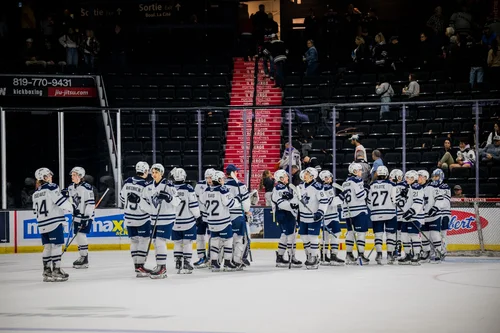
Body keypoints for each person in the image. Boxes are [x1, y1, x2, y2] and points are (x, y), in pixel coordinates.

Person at [140, 163, 180, 279]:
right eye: (152, 172)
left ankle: (162, 267)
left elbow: (177, 201)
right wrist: (151, 210)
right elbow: (143, 203)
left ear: (162, 173)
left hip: (167, 218)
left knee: (160, 242)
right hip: (154, 219)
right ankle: (159, 266)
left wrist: (169, 197)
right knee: (156, 243)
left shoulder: (169, 186)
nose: (154, 174)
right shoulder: (148, 187)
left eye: (156, 172)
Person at [33, 168, 73, 282]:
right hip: (54, 222)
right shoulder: (52, 187)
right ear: (44, 177)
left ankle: (46, 271)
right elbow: (60, 202)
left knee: (47, 247)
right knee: (57, 246)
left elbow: (35, 211)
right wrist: (71, 207)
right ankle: (56, 270)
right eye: (49, 175)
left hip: (42, 223)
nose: (51, 177)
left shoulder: (35, 193)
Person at [200, 170, 238, 272]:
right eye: (222, 179)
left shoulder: (207, 190)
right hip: (223, 221)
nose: (223, 180)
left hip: (211, 222)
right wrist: (237, 200)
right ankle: (227, 263)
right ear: (219, 179)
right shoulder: (223, 190)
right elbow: (230, 204)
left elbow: (202, 201)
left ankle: (214, 263)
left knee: (214, 241)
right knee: (228, 241)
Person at [119, 161, 152, 277]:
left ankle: (136, 265)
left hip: (128, 216)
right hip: (142, 217)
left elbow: (122, 198)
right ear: (146, 171)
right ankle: (140, 266)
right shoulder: (146, 184)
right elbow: (149, 203)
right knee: (144, 240)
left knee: (134, 241)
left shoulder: (127, 181)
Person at [170, 168, 200, 274]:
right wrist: (198, 216)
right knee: (187, 243)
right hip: (188, 222)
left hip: (174, 222)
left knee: (177, 243)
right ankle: (187, 263)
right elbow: (193, 205)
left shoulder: (170, 188)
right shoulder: (189, 188)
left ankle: (178, 262)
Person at [297, 167, 328, 269]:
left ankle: (314, 257)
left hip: (314, 217)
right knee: (304, 237)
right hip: (303, 217)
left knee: (312, 237)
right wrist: (293, 203)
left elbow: (324, 201)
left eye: (307, 173)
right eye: (305, 173)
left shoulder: (318, 187)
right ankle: (309, 255)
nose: (304, 174)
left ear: (312, 176)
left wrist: (320, 212)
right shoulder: (300, 187)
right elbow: (296, 200)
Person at [271, 169, 302, 268]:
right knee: (291, 236)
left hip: (283, 214)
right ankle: (291, 257)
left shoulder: (282, 187)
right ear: (280, 178)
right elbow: (281, 204)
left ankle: (280, 257)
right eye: (285, 176)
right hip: (285, 214)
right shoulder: (280, 188)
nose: (287, 177)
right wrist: (293, 205)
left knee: (285, 235)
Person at [368, 166, 398, 265]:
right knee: (390, 234)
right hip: (390, 213)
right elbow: (395, 199)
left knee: (378, 234)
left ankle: (379, 254)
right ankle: (390, 254)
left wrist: (375, 209)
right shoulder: (391, 185)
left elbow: (369, 202)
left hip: (376, 213)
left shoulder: (371, 185)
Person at [341, 163, 370, 264]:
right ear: (354, 171)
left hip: (348, 211)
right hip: (359, 210)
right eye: (359, 170)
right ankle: (361, 255)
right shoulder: (357, 181)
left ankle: (348, 255)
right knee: (361, 233)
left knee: (350, 232)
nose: (361, 172)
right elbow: (361, 195)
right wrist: (366, 189)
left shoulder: (345, 182)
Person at [67, 166, 95, 269]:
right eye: (72, 175)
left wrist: (86, 217)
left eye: (74, 175)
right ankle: (82, 256)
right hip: (76, 216)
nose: (72, 177)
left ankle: (84, 258)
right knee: (78, 237)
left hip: (85, 217)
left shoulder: (86, 187)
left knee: (81, 235)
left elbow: (90, 204)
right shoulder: (71, 187)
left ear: (81, 176)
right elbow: (70, 200)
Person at [225, 164, 252, 269]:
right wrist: (246, 211)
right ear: (233, 173)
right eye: (236, 171)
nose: (238, 173)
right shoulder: (240, 186)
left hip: (225, 217)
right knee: (240, 239)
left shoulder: (222, 185)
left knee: (226, 240)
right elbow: (246, 205)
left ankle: (223, 260)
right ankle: (236, 260)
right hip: (237, 215)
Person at [318, 170, 344, 265]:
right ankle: (333, 255)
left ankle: (323, 255)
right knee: (335, 234)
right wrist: (342, 197)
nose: (331, 178)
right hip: (331, 216)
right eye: (329, 177)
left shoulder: (321, 188)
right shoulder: (327, 188)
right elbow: (331, 202)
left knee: (325, 235)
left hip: (325, 216)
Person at [425, 169, 451, 262]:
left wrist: (436, 207)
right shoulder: (430, 186)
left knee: (442, 234)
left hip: (444, 214)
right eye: (434, 176)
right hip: (434, 214)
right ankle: (432, 251)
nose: (435, 178)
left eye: (437, 176)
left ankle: (442, 251)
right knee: (432, 235)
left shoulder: (444, 186)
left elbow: (445, 201)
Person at [399, 170, 424, 265]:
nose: (406, 179)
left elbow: (418, 202)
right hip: (406, 216)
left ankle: (416, 254)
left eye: (408, 178)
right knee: (404, 235)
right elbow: (405, 202)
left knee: (414, 235)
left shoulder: (416, 187)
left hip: (414, 216)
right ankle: (407, 254)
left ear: (413, 178)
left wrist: (411, 212)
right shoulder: (409, 187)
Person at [193, 168, 215, 268]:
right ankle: (202, 257)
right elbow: (195, 200)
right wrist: (197, 215)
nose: (209, 180)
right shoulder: (200, 185)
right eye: (207, 178)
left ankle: (211, 257)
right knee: (199, 237)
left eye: (210, 177)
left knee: (213, 238)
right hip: (202, 216)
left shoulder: (218, 185)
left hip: (212, 217)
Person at [418, 170, 433, 262]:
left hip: (429, 214)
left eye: (420, 176)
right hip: (421, 215)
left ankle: (433, 251)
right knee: (423, 235)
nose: (418, 178)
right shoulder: (417, 187)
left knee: (432, 235)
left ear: (425, 177)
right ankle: (425, 251)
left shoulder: (430, 188)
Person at [389, 168, 405, 257]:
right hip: (401, 213)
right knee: (399, 232)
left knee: (395, 232)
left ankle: (395, 249)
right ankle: (398, 249)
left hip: (395, 213)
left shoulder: (392, 186)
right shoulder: (405, 186)